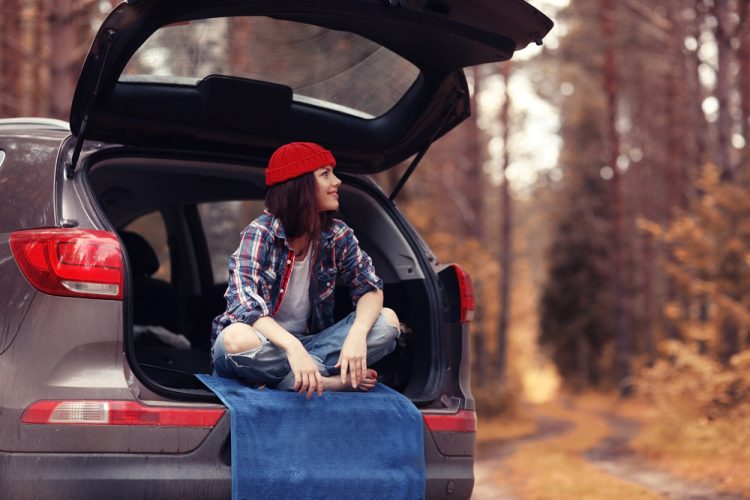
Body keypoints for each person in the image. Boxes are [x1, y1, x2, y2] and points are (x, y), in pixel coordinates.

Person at [210, 142, 401, 399]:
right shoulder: (260, 233)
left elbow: (369, 288)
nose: (337, 182)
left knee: (387, 322)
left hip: (314, 343)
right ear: (299, 186)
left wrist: (357, 336)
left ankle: (289, 381)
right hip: (263, 348)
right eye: (325, 174)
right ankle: (321, 379)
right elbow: (245, 307)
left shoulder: (337, 235)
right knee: (235, 339)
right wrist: (292, 348)